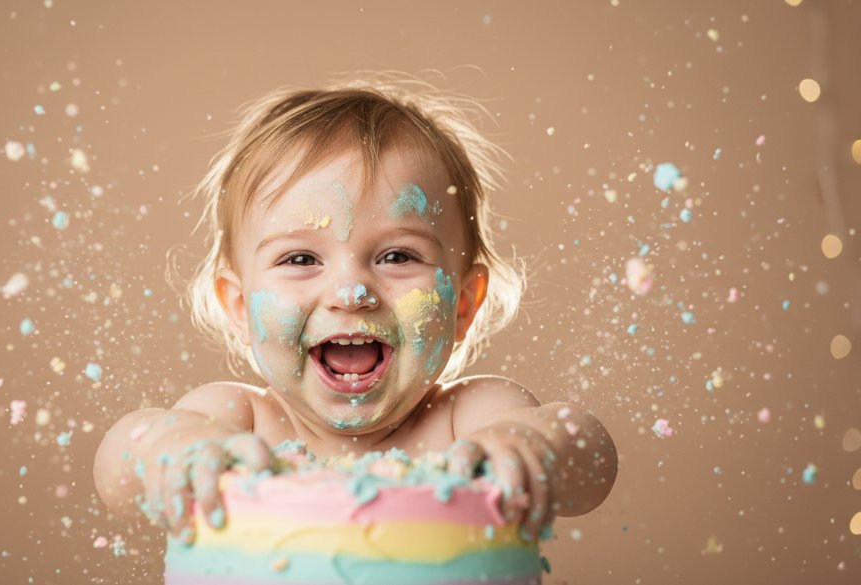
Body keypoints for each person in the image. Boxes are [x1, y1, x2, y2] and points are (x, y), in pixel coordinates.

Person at [93, 71, 618, 549]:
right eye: (300, 258)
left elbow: (590, 456)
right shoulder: (239, 424)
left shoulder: (470, 422)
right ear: (238, 305)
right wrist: (174, 449)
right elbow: (120, 466)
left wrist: (532, 446)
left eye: (396, 256)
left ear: (462, 304)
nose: (351, 292)